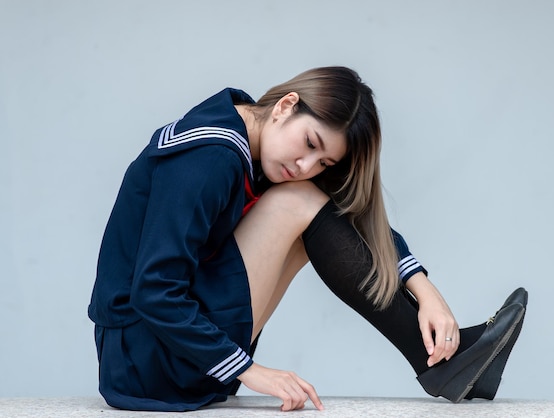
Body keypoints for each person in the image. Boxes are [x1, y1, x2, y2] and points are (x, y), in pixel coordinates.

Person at [88, 66, 527, 412]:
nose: (305, 163)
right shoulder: (211, 156)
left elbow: (346, 215)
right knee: (299, 202)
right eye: (310, 142)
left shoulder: (246, 134)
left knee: (309, 205)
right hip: (144, 362)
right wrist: (251, 372)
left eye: (323, 160)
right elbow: (153, 290)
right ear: (286, 105)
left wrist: (424, 288)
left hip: (159, 349)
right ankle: (443, 366)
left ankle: (447, 366)